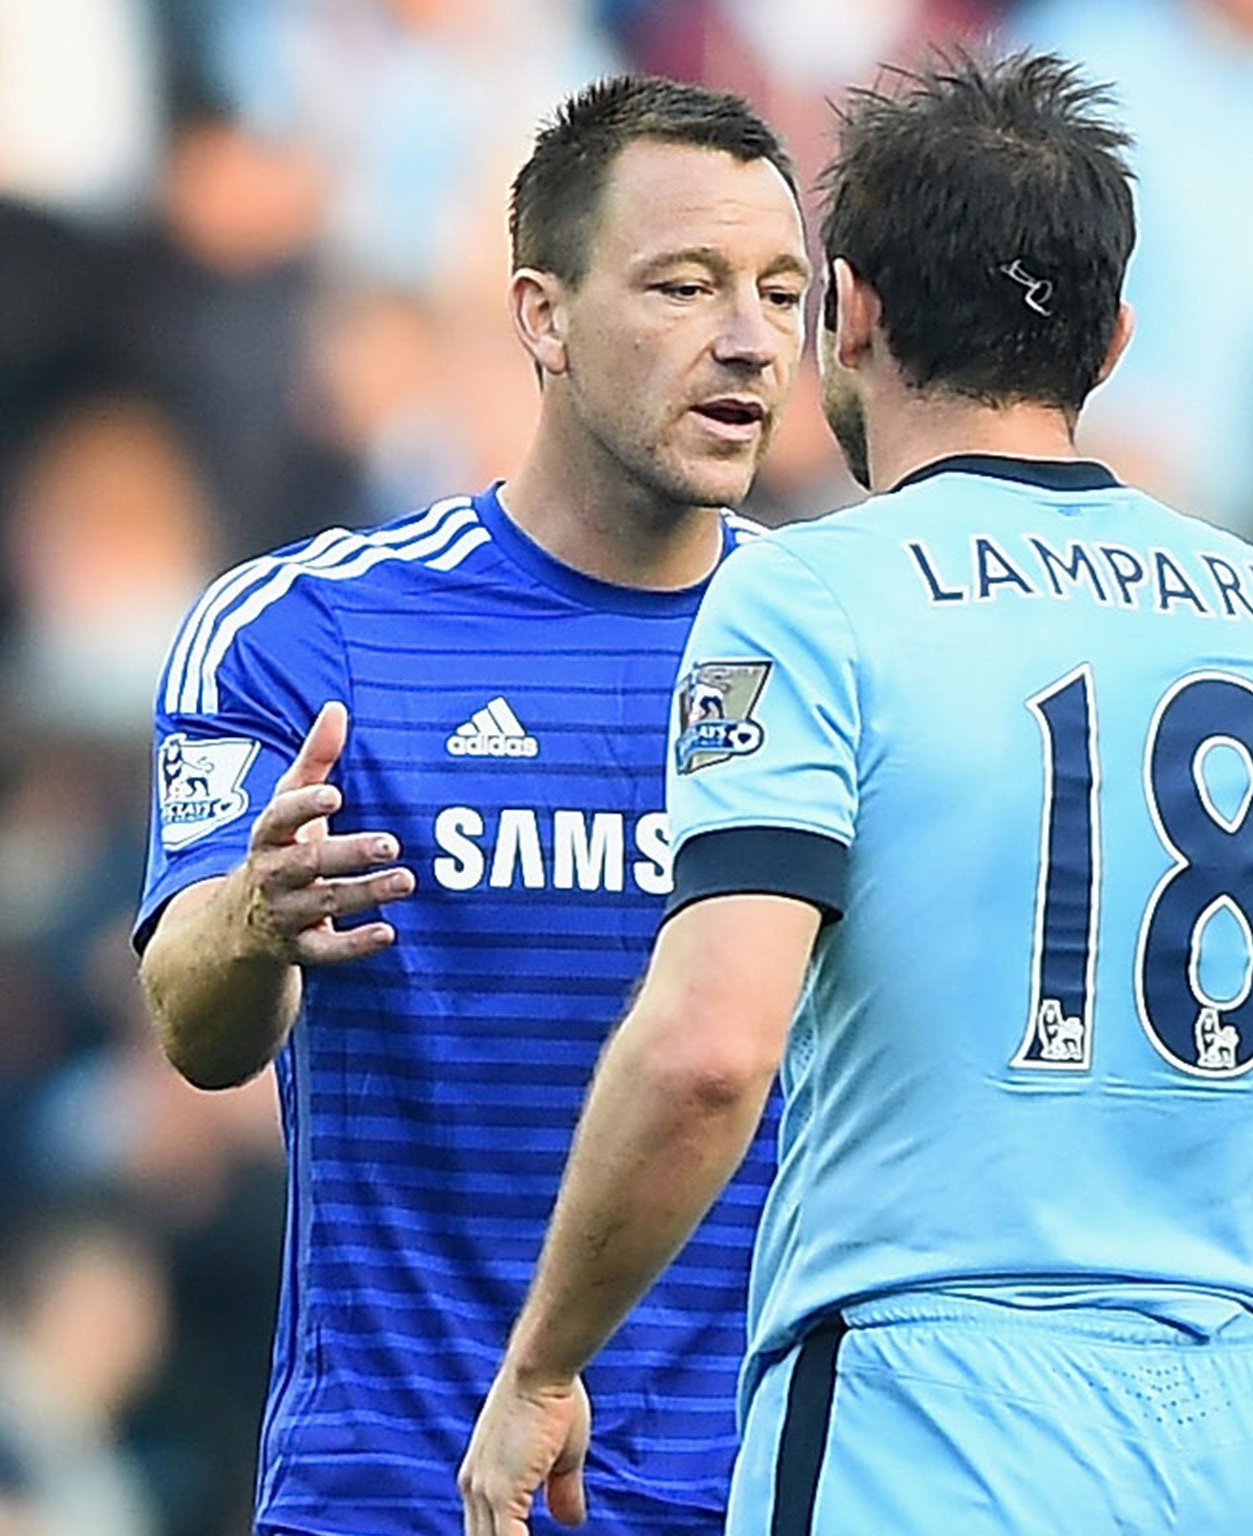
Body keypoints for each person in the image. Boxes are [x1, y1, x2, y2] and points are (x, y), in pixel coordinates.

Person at [461, 52, 1253, 1536]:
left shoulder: (813, 596)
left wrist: (547, 1361)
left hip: (932, 1409)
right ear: (1113, 338)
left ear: (850, 310)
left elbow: (707, 1052)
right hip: (1240, 1418)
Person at [133, 76, 810, 1536]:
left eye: (782, 290)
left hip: (739, 1492)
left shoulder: (842, 647)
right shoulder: (307, 631)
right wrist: (254, 917)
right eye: (684, 286)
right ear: (542, 316)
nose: (749, 338)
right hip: (395, 1489)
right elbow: (196, 1029)